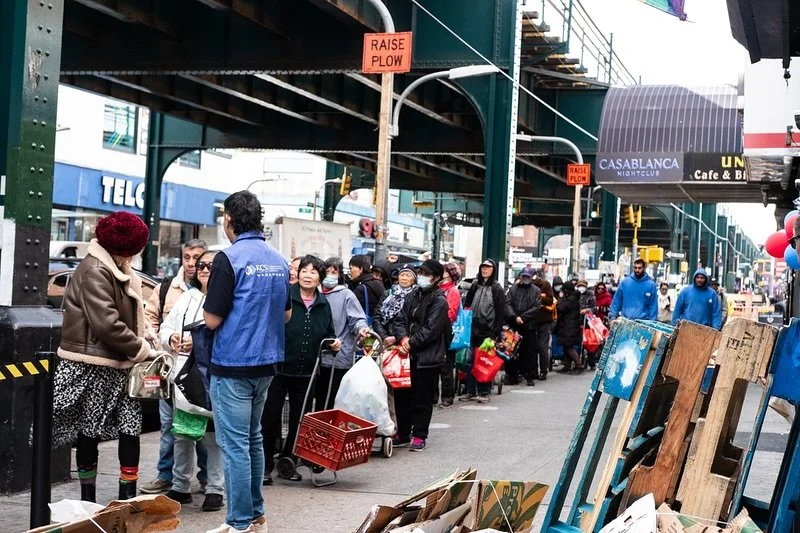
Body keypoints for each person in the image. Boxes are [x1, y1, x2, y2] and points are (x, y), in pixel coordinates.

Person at [53, 211, 157, 502]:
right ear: (126, 249)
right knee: (90, 430)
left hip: (119, 363)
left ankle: (127, 500)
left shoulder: (115, 267)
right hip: (95, 364)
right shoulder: (96, 269)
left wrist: (145, 333)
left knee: (129, 428)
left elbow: (127, 313)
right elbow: (107, 324)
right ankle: (88, 502)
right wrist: (141, 349)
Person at [203, 191, 291, 533]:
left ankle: (239, 521)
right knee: (253, 439)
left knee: (235, 445)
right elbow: (285, 314)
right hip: (266, 364)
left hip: (233, 363)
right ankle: (255, 516)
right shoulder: (279, 260)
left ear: (228, 220)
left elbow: (211, 320)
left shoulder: (229, 259)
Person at [142, 239, 209, 495]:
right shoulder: (167, 288)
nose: (193, 263)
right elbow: (150, 319)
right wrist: (167, 341)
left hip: (198, 373)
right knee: (169, 425)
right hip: (169, 369)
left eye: (199, 259)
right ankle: (166, 475)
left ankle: (206, 478)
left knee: (202, 426)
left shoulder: (215, 291)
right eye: (188, 257)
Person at [159, 250, 225, 511]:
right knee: (182, 433)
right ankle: (180, 486)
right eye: (201, 266)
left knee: (212, 437)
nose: (205, 270)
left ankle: (215, 489)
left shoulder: (226, 300)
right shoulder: (187, 297)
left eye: (210, 265)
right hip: (183, 377)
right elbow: (166, 327)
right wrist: (172, 338)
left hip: (211, 378)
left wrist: (197, 345)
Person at [262, 255, 337, 484]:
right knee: (270, 416)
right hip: (278, 368)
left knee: (299, 419)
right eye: (304, 270)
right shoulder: (285, 296)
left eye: (314, 272)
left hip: (307, 371)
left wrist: (334, 343)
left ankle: (289, 461)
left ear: (320, 278)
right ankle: (264, 465)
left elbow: (329, 333)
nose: (307, 275)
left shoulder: (323, 305)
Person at [393, 260, 451, 451]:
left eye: (426, 273)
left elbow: (432, 329)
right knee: (402, 395)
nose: (422, 277)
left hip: (427, 357)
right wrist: (403, 339)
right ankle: (403, 432)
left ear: (435, 277)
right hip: (406, 354)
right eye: (421, 273)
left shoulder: (439, 300)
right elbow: (400, 319)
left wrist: (411, 343)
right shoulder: (413, 294)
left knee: (422, 397)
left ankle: (419, 434)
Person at [318, 257, 370, 410]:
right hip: (317, 358)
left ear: (340, 274)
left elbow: (357, 319)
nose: (330, 275)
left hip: (339, 357)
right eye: (327, 271)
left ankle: (333, 432)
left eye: (334, 272)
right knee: (319, 400)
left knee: (335, 400)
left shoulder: (346, 294)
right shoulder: (315, 293)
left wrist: (362, 329)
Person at [462, 259, 506, 403]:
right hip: (472, 329)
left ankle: (484, 392)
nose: (485, 270)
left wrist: (494, 335)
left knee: (484, 362)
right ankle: (471, 391)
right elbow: (467, 306)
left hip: (487, 331)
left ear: (493, 270)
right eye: (483, 267)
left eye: (488, 268)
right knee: (469, 361)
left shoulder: (497, 288)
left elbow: (500, 314)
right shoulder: (475, 285)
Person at [504, 267, 542, 386]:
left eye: (528, 277)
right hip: (514, 325)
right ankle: (512, 376)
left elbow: (536, 307)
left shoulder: (536, 290)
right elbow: (508, 303)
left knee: (529, 352)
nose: (525, 279)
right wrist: (515, 317)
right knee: (510, 351)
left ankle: (529, 376)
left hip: (529, 326)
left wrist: (523, 317)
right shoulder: (513, 289)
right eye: (523, 276)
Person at [436, 263, 462, 407]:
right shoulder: (438, 289)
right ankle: (435, 396)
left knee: (446, 366)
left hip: (446, 332)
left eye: (445, 270)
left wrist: (437, 323)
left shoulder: (452, 291)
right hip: (436, 331)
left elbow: (451, 313)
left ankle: (447, 397)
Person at [532, 270, 556, 380]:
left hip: (544, 320)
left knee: (542, 346)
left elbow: (550, 300)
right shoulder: (525, 284)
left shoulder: (545, 285)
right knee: (533, 346)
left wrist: (539, 297)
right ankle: (533, 370)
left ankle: (543, 370)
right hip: (531, 319)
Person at [555, 281, 584, 374]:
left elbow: (561, 307)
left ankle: (579, 364)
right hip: (569, 325)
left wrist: (560, 298)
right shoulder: (574, 298)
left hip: (569, 326)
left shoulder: (571, 299)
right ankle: (567, 365)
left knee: (568, 346)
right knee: (566, 345)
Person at [348, 254, 386, 324]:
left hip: (364, 327)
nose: (349, 272)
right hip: (379, 325)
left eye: (351, 268)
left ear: (361, 269)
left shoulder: (361, 288)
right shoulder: (378, 282)